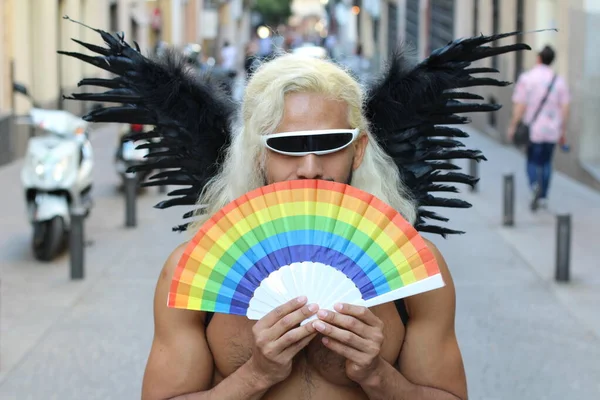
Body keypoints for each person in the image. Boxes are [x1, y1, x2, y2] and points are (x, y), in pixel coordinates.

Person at [59, 19, 531, 399]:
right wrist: (256, 376)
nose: (310, 168)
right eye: (287, 147)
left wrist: (377, 376)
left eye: (330, 145)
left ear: (359, 150)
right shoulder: (187, 273)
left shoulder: (418, 275)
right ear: (258, 153)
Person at [508, 45, 571, 211]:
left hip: (533, 129)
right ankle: (543, 196)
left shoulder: (527, 78)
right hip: (552, 130)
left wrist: (513, 125)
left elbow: (520, 105)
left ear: (538, 58)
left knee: (532, 160)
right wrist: (563, 130)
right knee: (546, 162)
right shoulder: (559, 81)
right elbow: (565, 108)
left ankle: (534, 185)